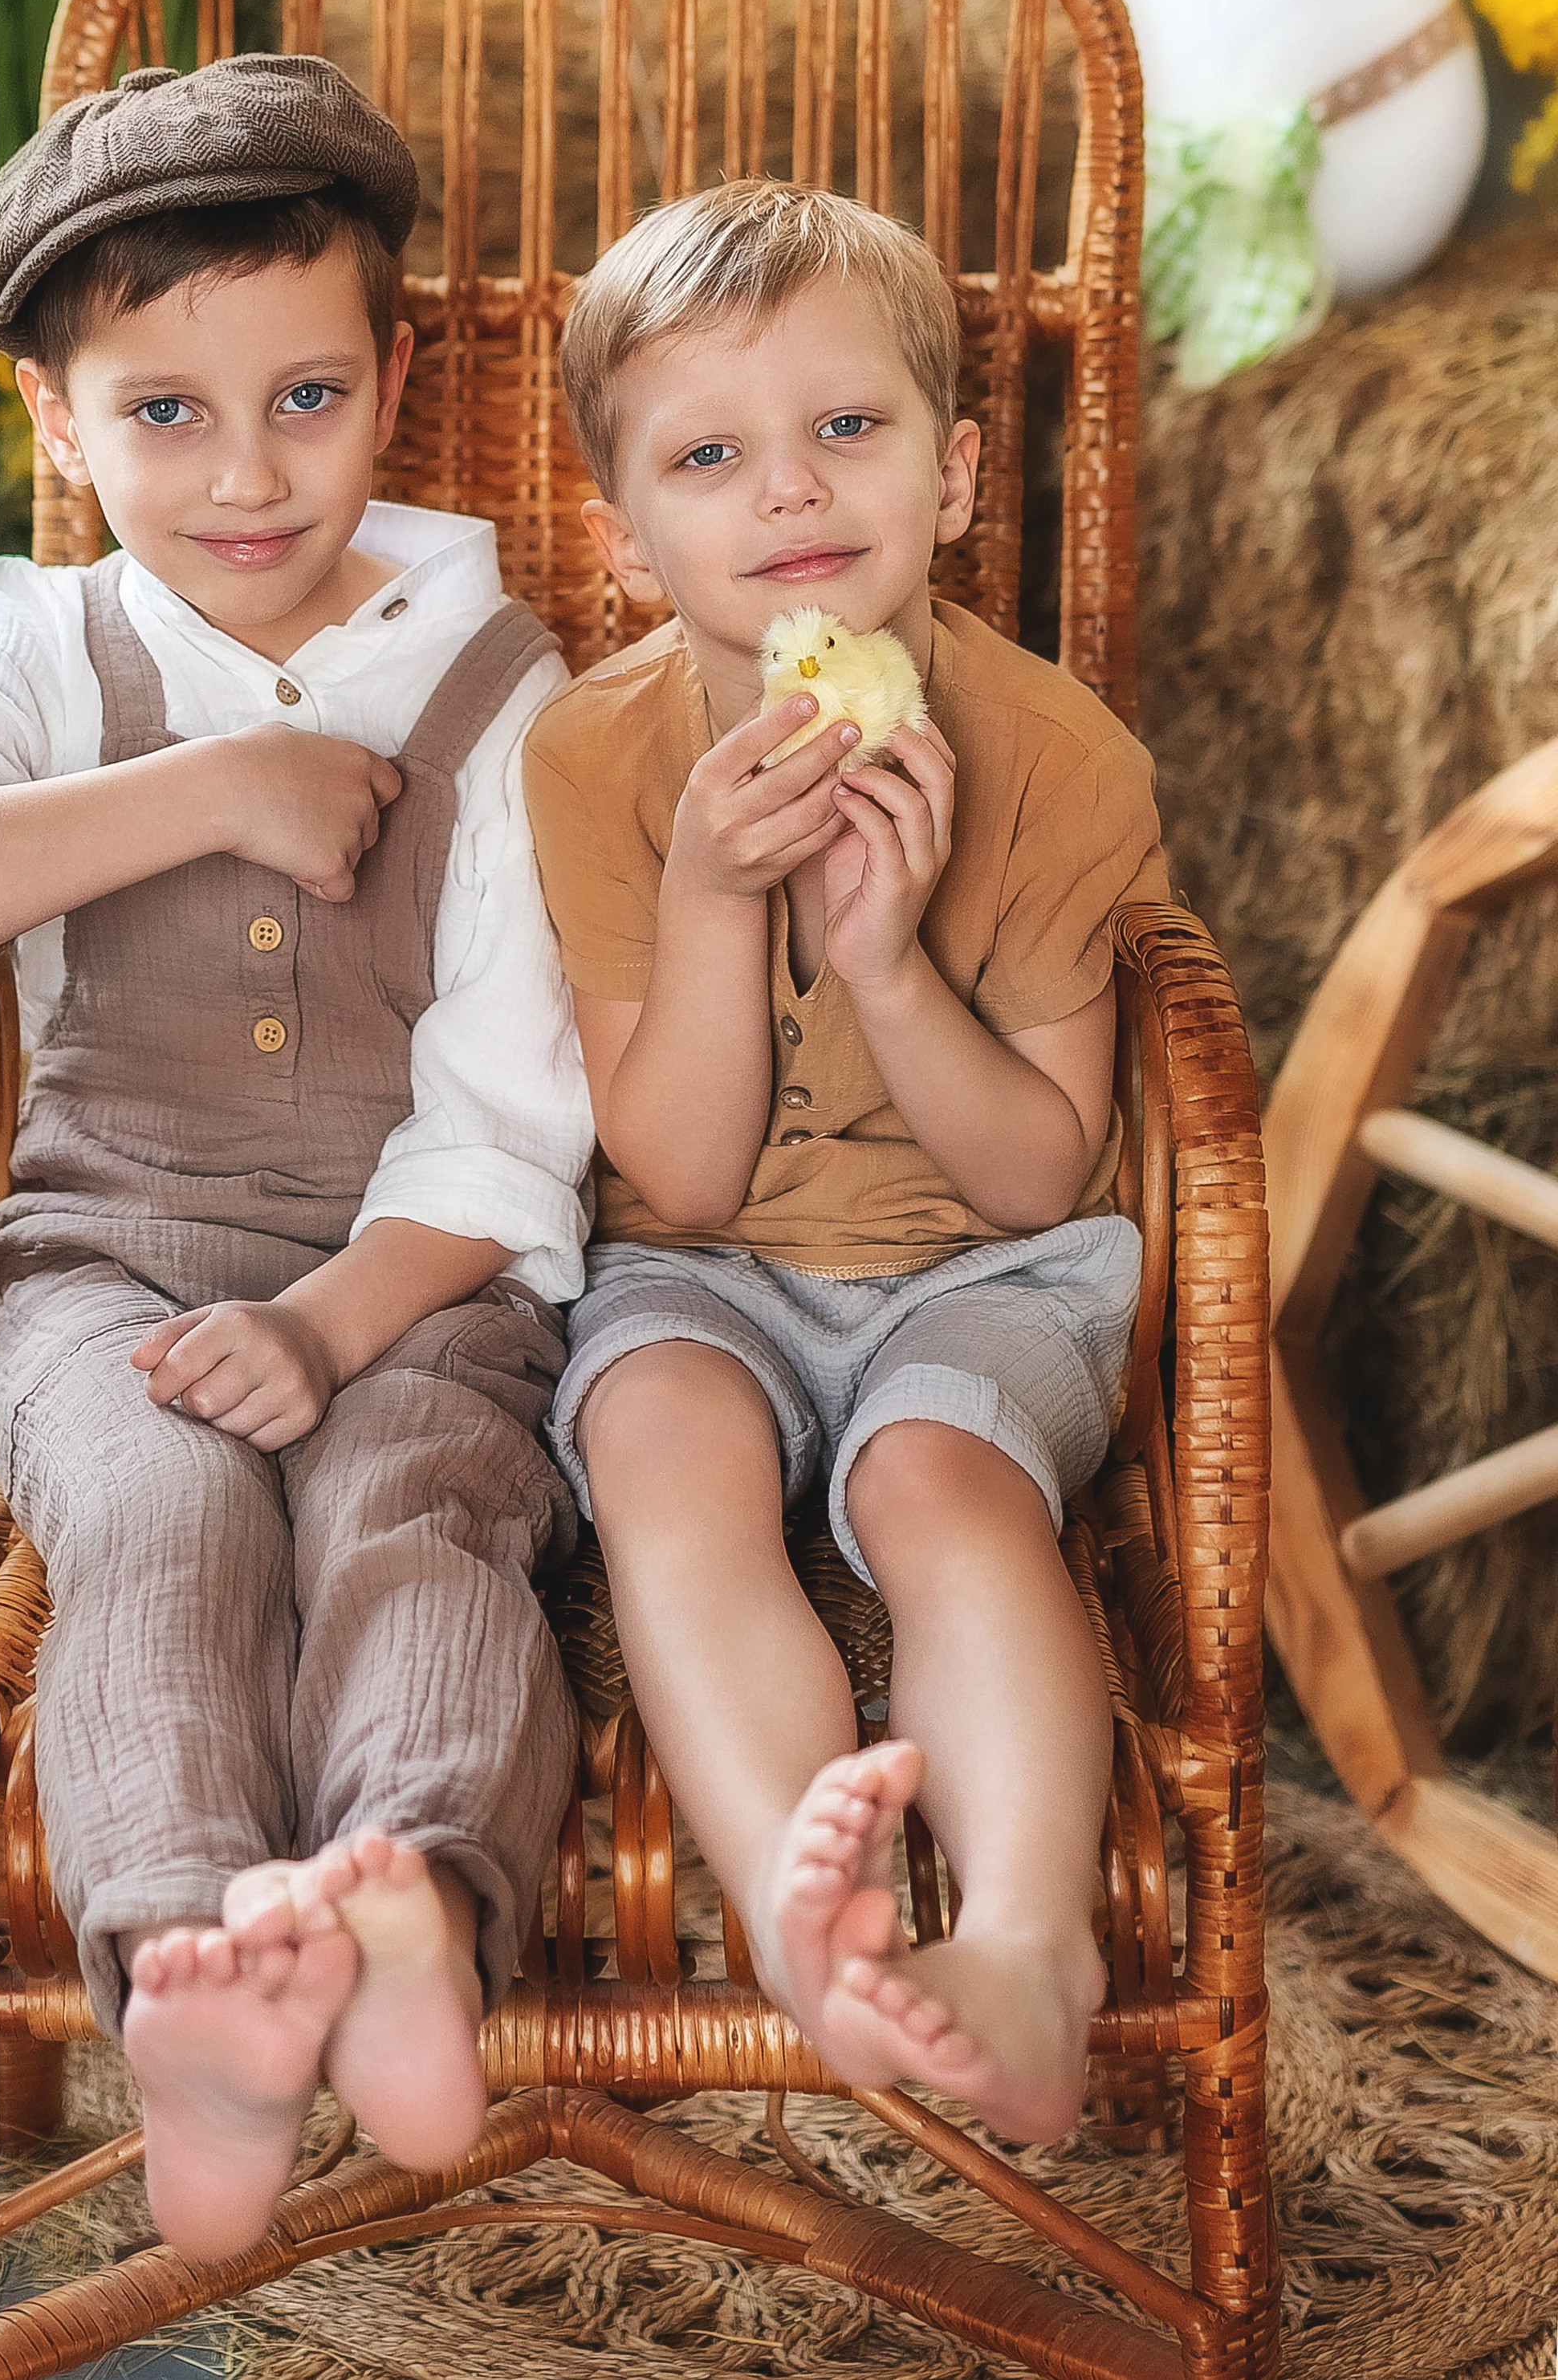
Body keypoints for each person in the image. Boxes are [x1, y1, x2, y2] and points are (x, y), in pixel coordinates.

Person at [0, 55, 592, 2258]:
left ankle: (415, 1908)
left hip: (416, 1273)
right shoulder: (34, 651)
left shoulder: (504, 685)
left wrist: (332, 1323)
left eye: (308, 394)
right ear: (53, 415)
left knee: (410, 1509)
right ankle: (195, 1980)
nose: (246, 474)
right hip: (113, 1271)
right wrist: (221, 785)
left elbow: (519, 1104)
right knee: (157, 1509)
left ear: (398, 376)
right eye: (162, 413)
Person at [522, 180, 1169, 2147]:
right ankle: (826, 1932)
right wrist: (722, 900)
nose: (788, 491)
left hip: (980, 1267)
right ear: (625, 542)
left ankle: (1032, 1950)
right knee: (658, 1453)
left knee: (936, 1476)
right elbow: (684, 1181)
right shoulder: (591, 759)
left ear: (957, 474)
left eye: (849, 429)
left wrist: (886, 962)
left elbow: (1040, 1174)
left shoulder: (1062, 761)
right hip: (704, 1264)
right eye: (709, 456)